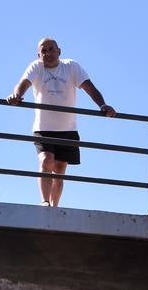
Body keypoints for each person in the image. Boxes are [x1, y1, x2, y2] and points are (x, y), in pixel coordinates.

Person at [7, 37, 115, 207]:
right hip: (43, 128)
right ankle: (45, 202)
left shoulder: (71, 66)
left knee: (59, 170)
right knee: (46, 160)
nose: (48, 53)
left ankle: (54, 207)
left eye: (51, 49)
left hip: (67, 129)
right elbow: (23, 84)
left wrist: (103, 105)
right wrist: (17, 96)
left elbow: (89, 87)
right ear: (39, 55)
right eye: (43, 51)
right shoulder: (36, 67)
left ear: (59, 51)